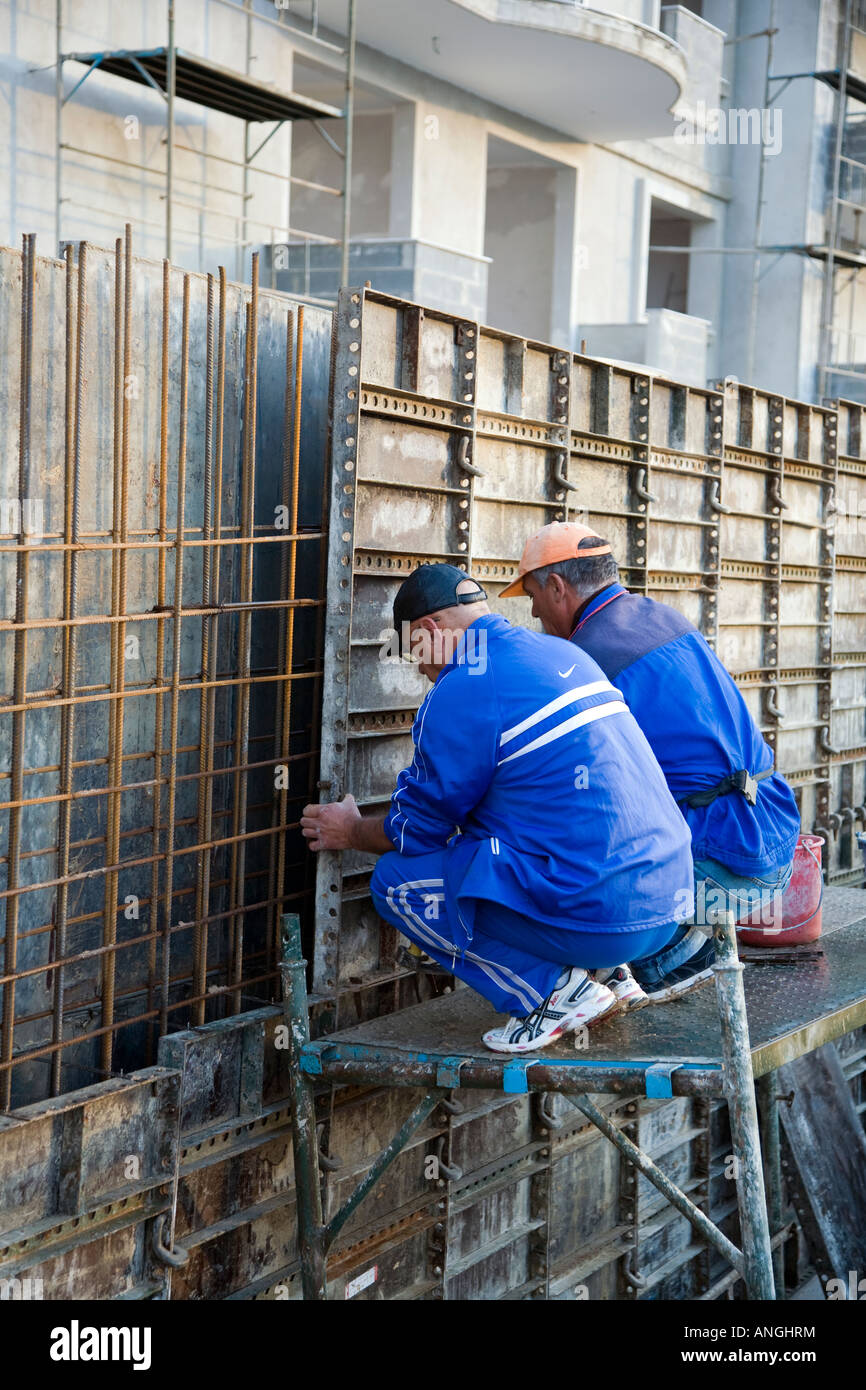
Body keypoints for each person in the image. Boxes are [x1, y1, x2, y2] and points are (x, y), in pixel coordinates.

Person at [302, 562, 695, 1053]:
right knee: (506, 839)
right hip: (668, 905)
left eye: (415, 656)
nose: (424, 672)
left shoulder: (464, 685)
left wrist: (351, 829)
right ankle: (611, 979)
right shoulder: (561, 652)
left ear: (429, 631)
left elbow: (415, 833)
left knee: (396, 885)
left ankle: (552, 995)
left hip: (606, 916)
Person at [501, 521, 801, 1000]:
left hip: (726, 867)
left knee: (549, 851)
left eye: (532, 595)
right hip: (778, 841)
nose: (532, 610)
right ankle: (681, 942)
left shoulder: (586, 659)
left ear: (557, 587)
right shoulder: (666, 618)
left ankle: (666, 959)